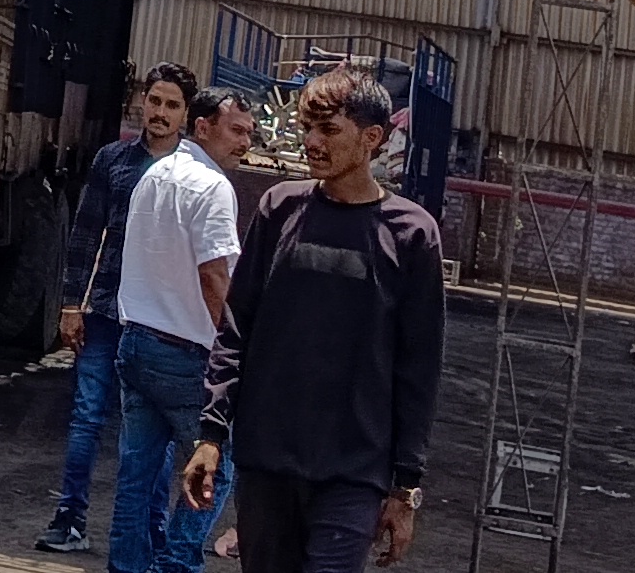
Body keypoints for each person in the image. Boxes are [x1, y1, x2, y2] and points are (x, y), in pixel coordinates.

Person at [183, 69, 445, 573]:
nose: (311, 142)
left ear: (372, 138)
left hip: (354, 473)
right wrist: (211, 435)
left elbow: (419, 369)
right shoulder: (279, 209)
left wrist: (405, 486)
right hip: (268, 462)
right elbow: (237, 329)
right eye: (308, 128)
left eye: (329, 131)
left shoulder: (413, 235)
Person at [38, 63, 201, 554]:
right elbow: (85, 235)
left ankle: (150, 530)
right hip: (108, 310)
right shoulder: (114, 161)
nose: (160, 112)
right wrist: (71, 305)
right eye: (155, 101)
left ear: (187, 114)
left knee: (151, 435)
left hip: (158, 323)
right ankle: (69, 516)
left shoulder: (194, 175)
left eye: (172, 105)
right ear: (141, 102)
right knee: (87, 415)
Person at [108, 87, 255, 573]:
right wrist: (234, 350)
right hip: (187, 354)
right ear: (203, 126)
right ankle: (175, 565)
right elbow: (214, 275)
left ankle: (127, 568)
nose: (244, 143)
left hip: (136, 343)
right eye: (236, 131)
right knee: (215, 471)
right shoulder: (213, 189)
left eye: (249, 134)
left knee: (136, 479)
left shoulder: (155, 174)